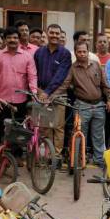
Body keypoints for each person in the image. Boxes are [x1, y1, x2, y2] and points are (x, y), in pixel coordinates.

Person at [55, 42, 110, 167]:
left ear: (88, 52)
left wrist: (109, 99)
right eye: (79, 52)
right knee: (81, 135)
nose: (82, 54)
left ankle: (99, 159)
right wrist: (51, 96)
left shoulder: (97, 65)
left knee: (98, 135)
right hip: (82, 105)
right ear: (75, 53)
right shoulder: (73, 68)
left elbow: (105, 84)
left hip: (99, 105)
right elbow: (65, 85)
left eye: (84, 51)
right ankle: (81, 158)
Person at [0, 26, 37, 151]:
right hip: (2, 100)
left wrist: (34, 94)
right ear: (4, 39)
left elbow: (32, 77)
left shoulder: (27, 57)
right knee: (0, 128)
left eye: (15, 37)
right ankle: (0, 157)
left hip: (21, 100)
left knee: (18, 130)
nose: (12, 40)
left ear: (19, 39)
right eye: (9, 37)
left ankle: (17, 155)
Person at [33, 24, 72, 162]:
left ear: (60, 35)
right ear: (47, 34)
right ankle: (48, 152)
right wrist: (38, 90)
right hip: (42, 93)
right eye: (52, 33)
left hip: (58, 95)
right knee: (45, 126)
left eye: (57, 33)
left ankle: (56, 156)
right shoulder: (39, 52)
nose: (54, 35)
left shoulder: (65, 54)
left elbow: (60, 76)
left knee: (58, 126)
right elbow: (35, 73)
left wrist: (48, 92)